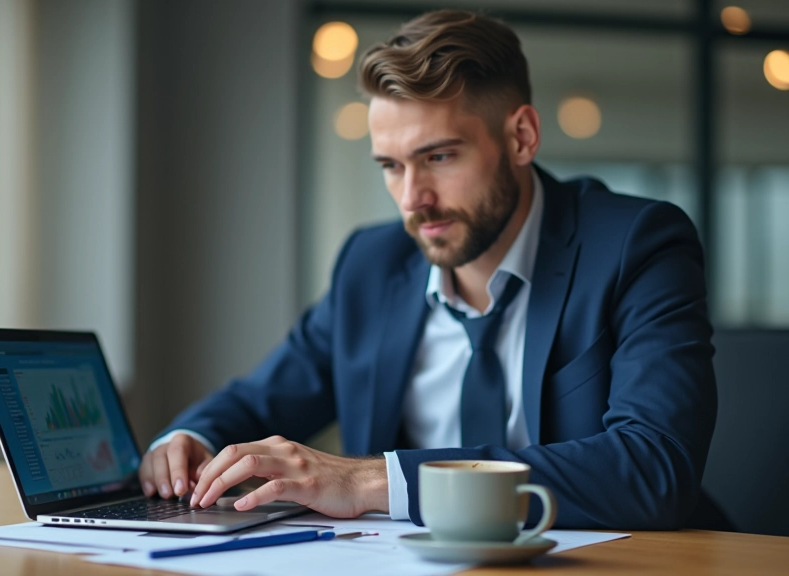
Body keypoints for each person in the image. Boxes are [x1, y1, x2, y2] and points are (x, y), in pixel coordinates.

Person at [139, 9, 717, 529]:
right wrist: (189, 437)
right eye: (390, 166)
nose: (413, 197)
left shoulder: (635, 244)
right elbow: (261, 400)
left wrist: (371, 480)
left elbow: (653, 466)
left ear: (521, 137)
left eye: (438, 157)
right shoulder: (370, 264)